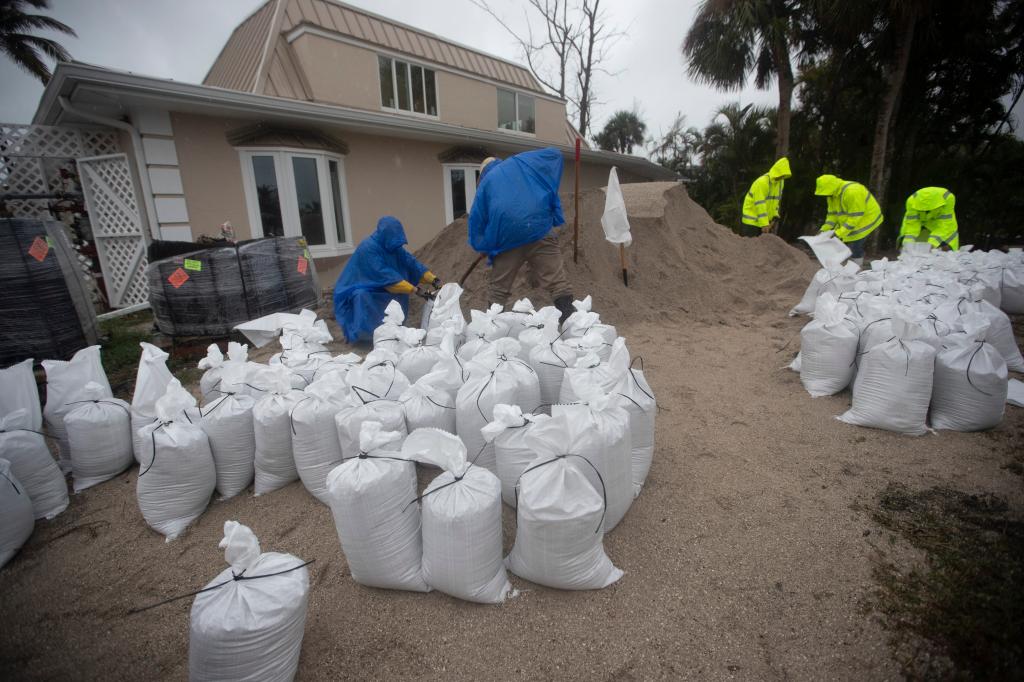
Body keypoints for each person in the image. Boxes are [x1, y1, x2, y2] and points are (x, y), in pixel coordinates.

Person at [468, 147, 574, 322]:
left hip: (508, 239)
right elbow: (555, 155)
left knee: (498, 289)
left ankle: (491, 332)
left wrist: (483, 245)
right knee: (557, 282)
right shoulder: (521, 164)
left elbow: (477, 219)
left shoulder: (487, 183)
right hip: (538, 228)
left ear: (482, 174)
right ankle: (572, 326)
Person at [333, 216, 439, 343]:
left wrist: (433, 279)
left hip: (382, 285)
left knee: (399, 294)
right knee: (362, 296)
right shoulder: (368, 248)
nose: (397, 244)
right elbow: (384, 275)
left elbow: (411, 264)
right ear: (385, 235)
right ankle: (364, 336)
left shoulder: (393, 247)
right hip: (359, 287)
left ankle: (390, 334)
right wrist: (415, 289)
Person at [814, 174, 883, 265]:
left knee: (856, 243)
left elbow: (855, 217)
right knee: (846, 239)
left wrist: (838, 233)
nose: (826, 195)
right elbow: (832, 216)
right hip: (853, 218)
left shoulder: (852, 192)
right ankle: (850, 264)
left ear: (832, 187)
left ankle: (857, 268)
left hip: (867, 217)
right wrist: (823, 230)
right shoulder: (832, 195)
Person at [741, 157, 791, 237]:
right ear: (776, 172)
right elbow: (760, 204)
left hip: (763, 222)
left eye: (784, 176)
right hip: (751, 222)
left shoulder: (780, 183)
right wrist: (764, 224)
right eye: (781, 175)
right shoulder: (762, 182)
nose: (781, 178)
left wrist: (775, 215)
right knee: (749, 247)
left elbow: (776, 201)